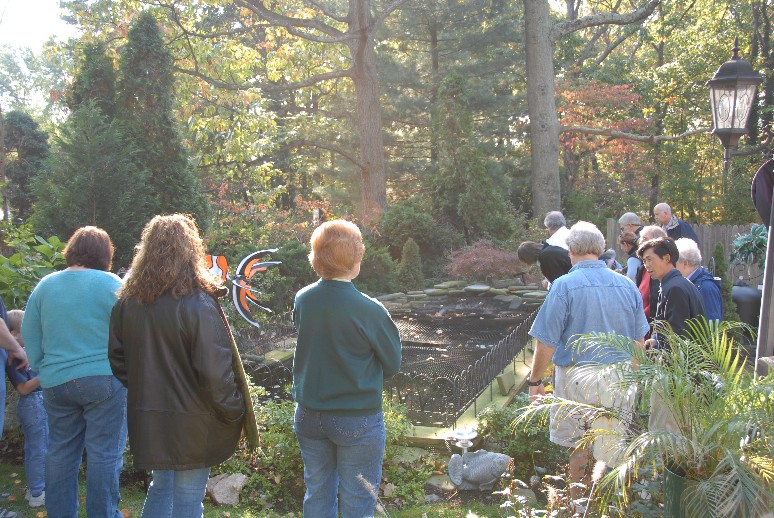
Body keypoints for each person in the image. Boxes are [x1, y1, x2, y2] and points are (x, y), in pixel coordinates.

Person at [109, 214, 244, 518]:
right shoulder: (198, 303)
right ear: (190, 250)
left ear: (146, 251)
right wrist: (234, 410)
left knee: (161, 486)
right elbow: (214, 371)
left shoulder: (127, 303)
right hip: (194, 421)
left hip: (151, 416)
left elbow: (118, 359)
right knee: (187, 498)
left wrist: (148, 388)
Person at [528, 221, 649, 503]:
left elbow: (546, 341)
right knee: (612, 445)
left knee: (578, 446)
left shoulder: (563, 286)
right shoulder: (626, 285)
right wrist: (636, 381)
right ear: (600, 249)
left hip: (576, 379)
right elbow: (638, 342)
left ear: (571, 250)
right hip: (618, 377)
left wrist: (535, 381)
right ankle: (609, 504)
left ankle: (578, 504)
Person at [292, 219, 402, 518]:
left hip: (309, 414)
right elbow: (392, 363)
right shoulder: (370, 309)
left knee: (317, 492)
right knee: (357, 501)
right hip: (356, 417)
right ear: (355, 260)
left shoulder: (304, 299)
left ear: (317, 259)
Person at [22, 226, 126, 518]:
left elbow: (30, 334)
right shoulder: (112, 284)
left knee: (60, 453)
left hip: (56, 381)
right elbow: (130, 332)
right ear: (105, 254)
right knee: (104, 454)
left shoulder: (45, 286)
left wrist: (42, 367)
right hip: (105, 378)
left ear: (71, 250)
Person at [5, 310, 48, 508]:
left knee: (38, 447)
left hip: (37, 403)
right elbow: (23, 388)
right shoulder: (13, 359)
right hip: (33, 403)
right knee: (38, 449)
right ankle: (38, 492)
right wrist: (46, 374)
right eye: (26, 331)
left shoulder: (25, 353)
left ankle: (35, 489)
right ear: (13, 335)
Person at [637, 237, 705, 349]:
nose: (647, 265)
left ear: (667, 258)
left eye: (650, 260)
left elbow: (676, 338)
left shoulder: (675, 288)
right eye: (644, 261)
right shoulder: (676, 284)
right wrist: (656, 340)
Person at [675, 238, 723, 322]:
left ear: (685, 263)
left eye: (674, 263)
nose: (672, 267)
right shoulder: (689, 284)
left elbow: (712, 323)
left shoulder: (706, 288)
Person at [635, 225, 668, 326]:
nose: (640, 242)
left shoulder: (659, 270)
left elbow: (655, 303)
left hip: (650, 326)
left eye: (645, 239)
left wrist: (638, 321)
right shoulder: (642, 269)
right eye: (640, 238)